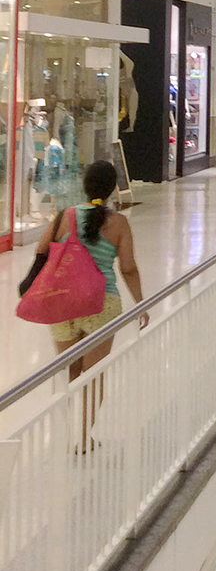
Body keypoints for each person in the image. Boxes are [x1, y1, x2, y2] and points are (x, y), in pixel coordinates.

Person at [35, 161, 147, 431]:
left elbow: (41, 251)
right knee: (93, 374)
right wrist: (141, 304)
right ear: (112, 189)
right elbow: (128, 268)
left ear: (85, 186)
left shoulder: (64, 216)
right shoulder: (118, 223)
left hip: (63, 302)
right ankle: (84, 436)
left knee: (68, 370)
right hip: (102, 303)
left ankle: (62, 432)